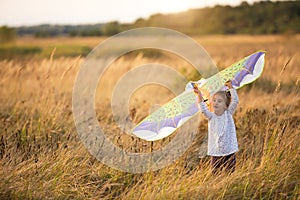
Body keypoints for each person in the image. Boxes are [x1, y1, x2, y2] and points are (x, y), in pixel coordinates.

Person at [193, 80, 239, 174]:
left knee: (230, 173)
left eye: (219, 101)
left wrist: (231, 88)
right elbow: (203, 109)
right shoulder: (211, 116)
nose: (216, 103)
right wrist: (199, 95)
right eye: (214, 101)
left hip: (229, 151)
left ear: (226, 105)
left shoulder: (228, 113)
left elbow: (235, 101)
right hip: (216, 152)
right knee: (215, 173)